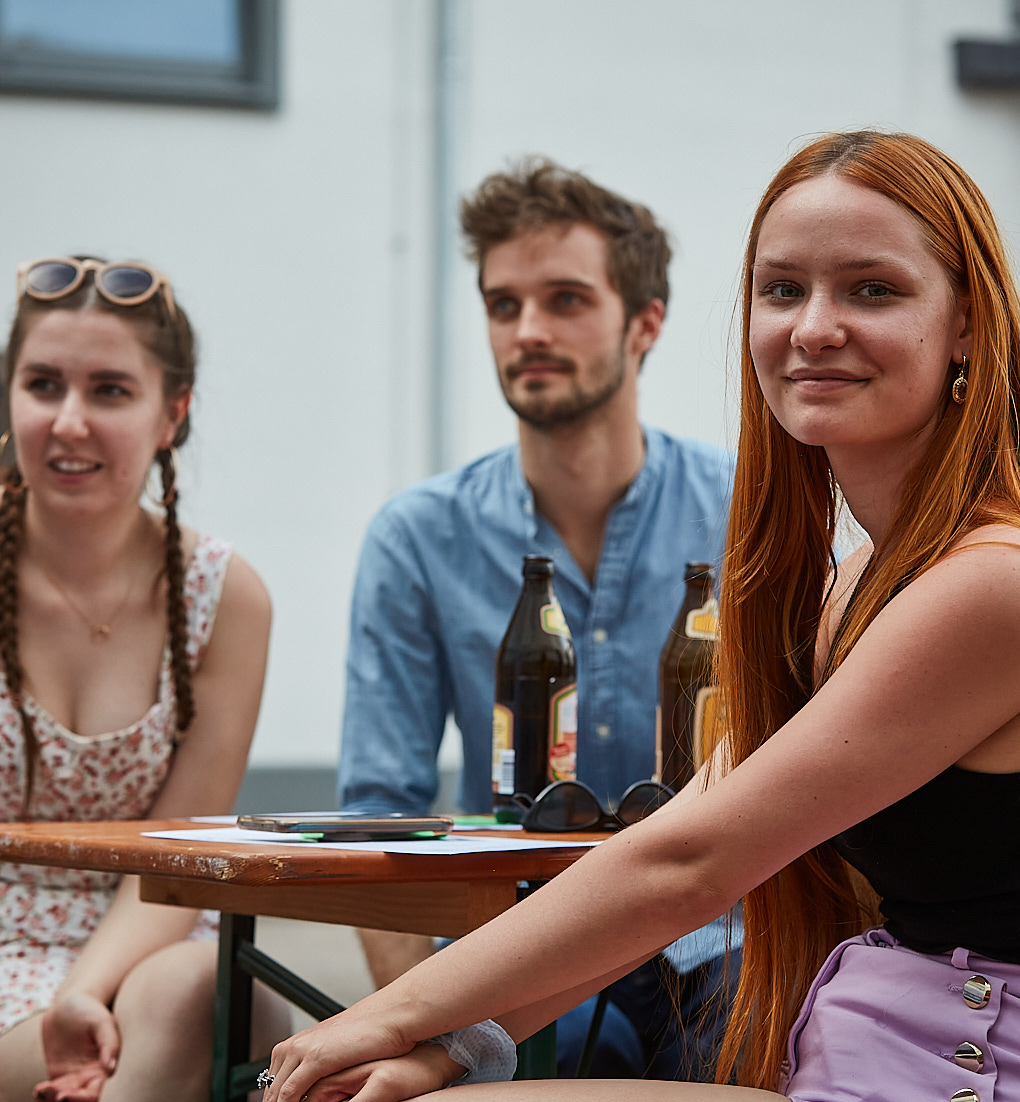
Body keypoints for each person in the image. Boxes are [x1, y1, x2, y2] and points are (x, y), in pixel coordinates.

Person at [264, 131, 1020, 1102]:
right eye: (782, 290)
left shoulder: (999, 578)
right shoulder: (859, 580)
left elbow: (690, 863)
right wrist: (453, 1045)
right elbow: (684, 844)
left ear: (967, 326)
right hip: (907, 1047)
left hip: (1000, 1065)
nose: (813, 327)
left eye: (871, 290)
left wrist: (383, 1015)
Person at [0, 257, 275, 1102]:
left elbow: (177, 861)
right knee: (124, 1059)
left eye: (110, 391)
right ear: (11, 395)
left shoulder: (228, 596)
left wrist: (83, 992)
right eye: (43, 385)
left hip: (150, 938)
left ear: (171, 414)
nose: (68, 421)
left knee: (197, 992)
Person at [336, 158, 735, 1080]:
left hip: (715, 934)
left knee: (754, 1048)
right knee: (549, 1069)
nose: (528, 331)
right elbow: (379, 813)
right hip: (513, 937)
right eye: (503, 305)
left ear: (646, 323)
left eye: (565, 300)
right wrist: (417, 1039)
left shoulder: (744, 511)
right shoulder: (418, 537)